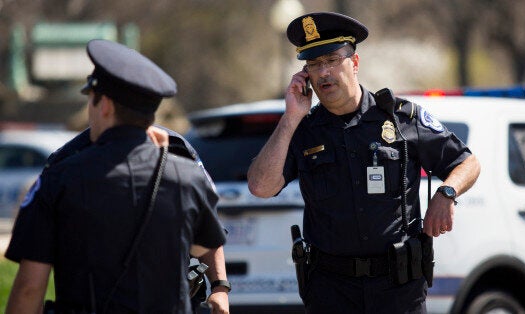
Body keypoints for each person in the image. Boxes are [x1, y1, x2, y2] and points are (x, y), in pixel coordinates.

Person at [247, 12, 481, 314]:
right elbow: (260, 187)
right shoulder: (303, 130)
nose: (324, 73)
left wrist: (446, 193)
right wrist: (291, 117)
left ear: (354, 63)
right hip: (331, 291)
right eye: (314, 65)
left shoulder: (401, 118)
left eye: (332, 60)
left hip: (397, 290)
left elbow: (467, 163)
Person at [5, 39, 230, 314]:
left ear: (106, 105)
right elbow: (202, 244)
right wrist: (219, 285)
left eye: (91, 98)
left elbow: (30, 288)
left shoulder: (60, 175)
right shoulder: (185, 175)